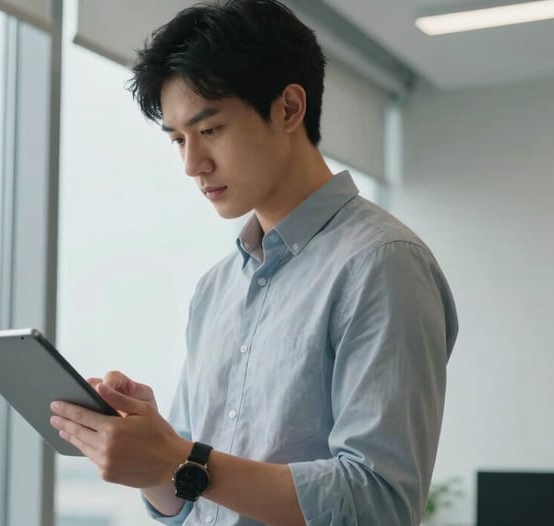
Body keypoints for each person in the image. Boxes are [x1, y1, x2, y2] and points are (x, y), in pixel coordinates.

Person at [49, 0, 458, 524]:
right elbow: (189, 497)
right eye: (178, 139)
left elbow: (380, 502)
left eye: (210, 130)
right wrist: (153, 458)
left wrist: (182, 458)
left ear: (289, 108)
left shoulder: (383, 266)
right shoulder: (215, 289)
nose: (192, 165)